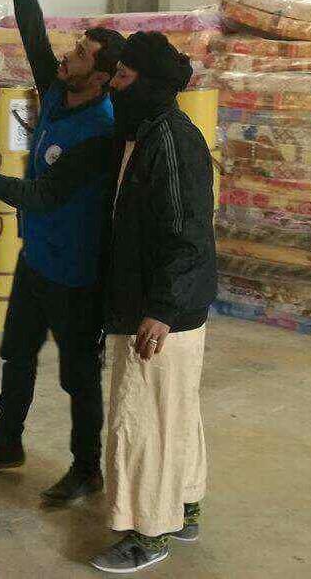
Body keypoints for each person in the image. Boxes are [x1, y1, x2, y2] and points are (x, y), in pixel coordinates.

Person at [0, 0, 126, 507]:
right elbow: (33, 36)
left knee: (78, 375)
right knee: (16, 352)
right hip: (39, 258)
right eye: (74, 48)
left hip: (77, 273)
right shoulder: (58, 91)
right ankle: (7, 442)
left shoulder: (99, 130)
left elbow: (48, 195)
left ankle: (86, 469)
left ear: (102, 77)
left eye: (81, 55)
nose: (68, 56)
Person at [89, 32, 217, 573]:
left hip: (161, 310)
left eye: (122, 78)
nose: (113, 87)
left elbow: (188, 232)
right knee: (174, 412)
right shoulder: (147, 133)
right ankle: (183, 507)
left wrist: (161, 308)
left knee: (140, 420)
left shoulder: (171, 140)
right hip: (166, 303)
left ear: (148, 82)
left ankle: (148, 532)